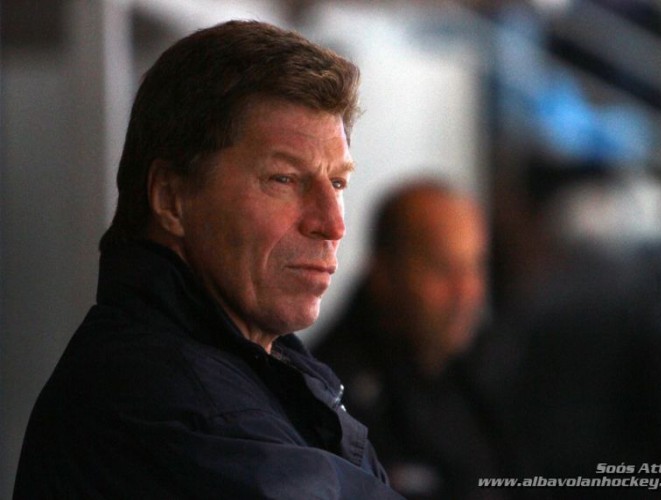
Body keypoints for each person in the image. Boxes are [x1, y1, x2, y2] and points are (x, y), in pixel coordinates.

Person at [14, 20, 403, 499]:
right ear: (171, 200)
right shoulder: (172, 403)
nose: (333, 224)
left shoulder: (253, 368)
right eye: (283, 179)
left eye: (337, 183)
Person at [314, 180, 510, 499]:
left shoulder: (485, 368)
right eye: (443, 268)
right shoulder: (330, 400)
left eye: (474, 266)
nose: (467, 292)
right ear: (384, 272)